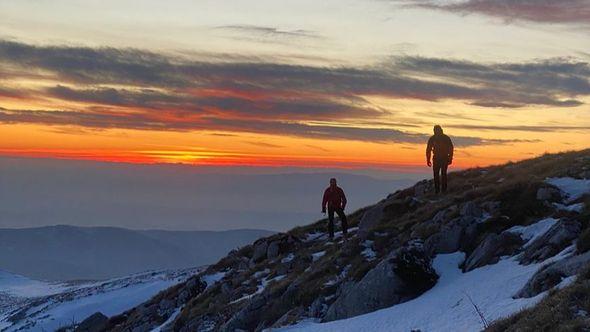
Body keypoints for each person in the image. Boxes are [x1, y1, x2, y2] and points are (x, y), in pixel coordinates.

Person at [426, 125, 454, 194]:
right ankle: (439, 190)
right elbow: (428, 150)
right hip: (440, 158)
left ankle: (440, 190)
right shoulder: (443, 138)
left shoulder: (435, 138)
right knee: (439, 174)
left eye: (435, 130)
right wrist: (428, 159)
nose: (435, 131)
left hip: (442, 158)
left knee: (440, 174)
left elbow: (451, 148)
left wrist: (450, 158)